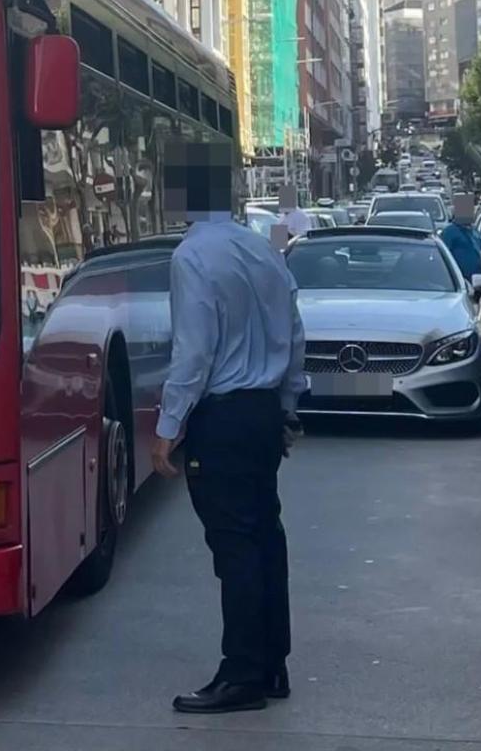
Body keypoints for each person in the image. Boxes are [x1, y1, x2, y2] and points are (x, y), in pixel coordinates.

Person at [152, 142, 306, 715]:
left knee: (235, 547)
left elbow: (193, 353)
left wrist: (168, 427)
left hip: (222, 416)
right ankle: (272, 665)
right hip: (263, 412)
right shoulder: (262, 250)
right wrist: (288, 407)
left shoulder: (192, 256)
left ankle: (241, 673)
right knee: (266, 537)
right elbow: (294, 333)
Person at [438, 193, 481, 280]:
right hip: (458, 279)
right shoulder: (450, 231)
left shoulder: (474, 231)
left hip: (476, 278)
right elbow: (443, 255)